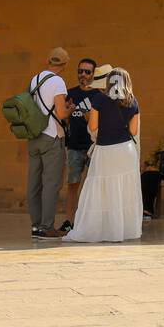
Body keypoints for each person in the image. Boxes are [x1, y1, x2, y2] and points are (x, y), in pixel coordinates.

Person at [64, 67, 142, 243]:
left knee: (101, 189)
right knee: (123, 190)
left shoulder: (99, 99)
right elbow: (133, 130)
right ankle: (123, 230)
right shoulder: (132, 101)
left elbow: (92, 127)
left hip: (105, 150)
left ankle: (102, 229)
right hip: (126, 151)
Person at [27, 48, 71, 240]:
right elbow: (61, 114)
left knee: (34, 184)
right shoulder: (58, 82)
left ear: (47, 60)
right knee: (51, 184)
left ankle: (36, 226)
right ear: (65, 64)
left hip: (34, 137)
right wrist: (70, 109)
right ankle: (47, 227)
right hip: (52, 136)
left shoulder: (34, 79)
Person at [61, 57, 99, 233]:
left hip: (93, 147)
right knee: (73, 184)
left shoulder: (99, 95)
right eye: (80, 71)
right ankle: (69, 221)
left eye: (87, 71)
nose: (83, 75)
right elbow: (66, 119)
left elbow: (97, 122)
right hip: (75, 146)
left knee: (93, 186)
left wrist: (86, 115)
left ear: (93, 74)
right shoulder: (71, 93)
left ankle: (90, 222)